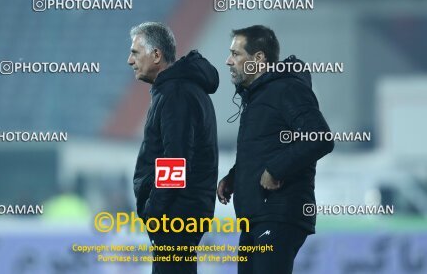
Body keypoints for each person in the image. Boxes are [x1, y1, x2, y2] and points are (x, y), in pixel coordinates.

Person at [217, 25, 334, 274]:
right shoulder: (258, 95)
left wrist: (276, 170)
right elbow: (266, 146)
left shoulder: (287, 89)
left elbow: (320, 137)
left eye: (236, 54)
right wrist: (235, 176)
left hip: (278, 212)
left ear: (258, 58)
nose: (228, 61)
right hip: (258, 215)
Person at [128, 22, 219, 274]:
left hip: (175, 214)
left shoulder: (175, 94)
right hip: (180, 211)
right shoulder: (177, 90)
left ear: (156, 55)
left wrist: (154, 211)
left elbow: (176, 161)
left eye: (135, 52)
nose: (129, 60)